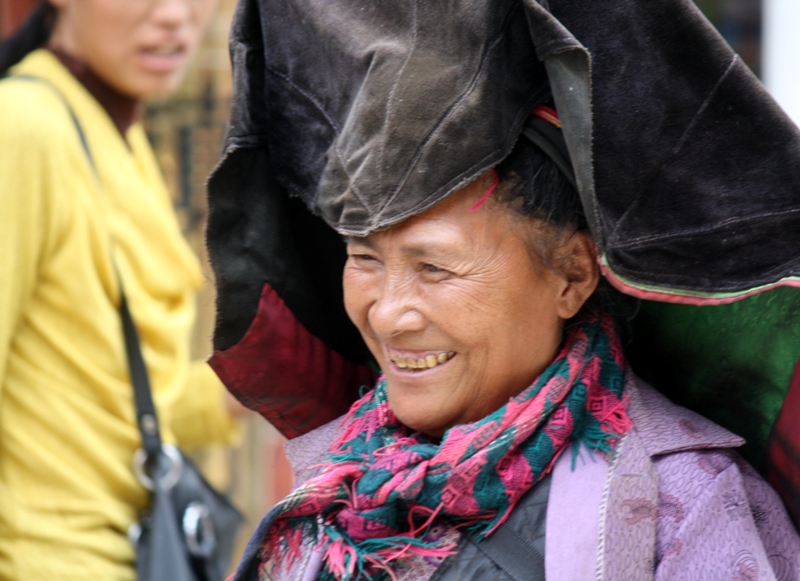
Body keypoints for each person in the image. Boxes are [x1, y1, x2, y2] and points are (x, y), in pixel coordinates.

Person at [222, 127, 800, 580]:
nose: (386, 313)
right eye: (365, 259)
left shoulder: (680, 502)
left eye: (435, 268)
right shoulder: (340, 474)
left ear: (571, 276)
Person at [0, 1, 238, 578]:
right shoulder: (24, 126)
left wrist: (273, 376)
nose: (176, 16)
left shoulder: (112, 131)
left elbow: (126, 402)